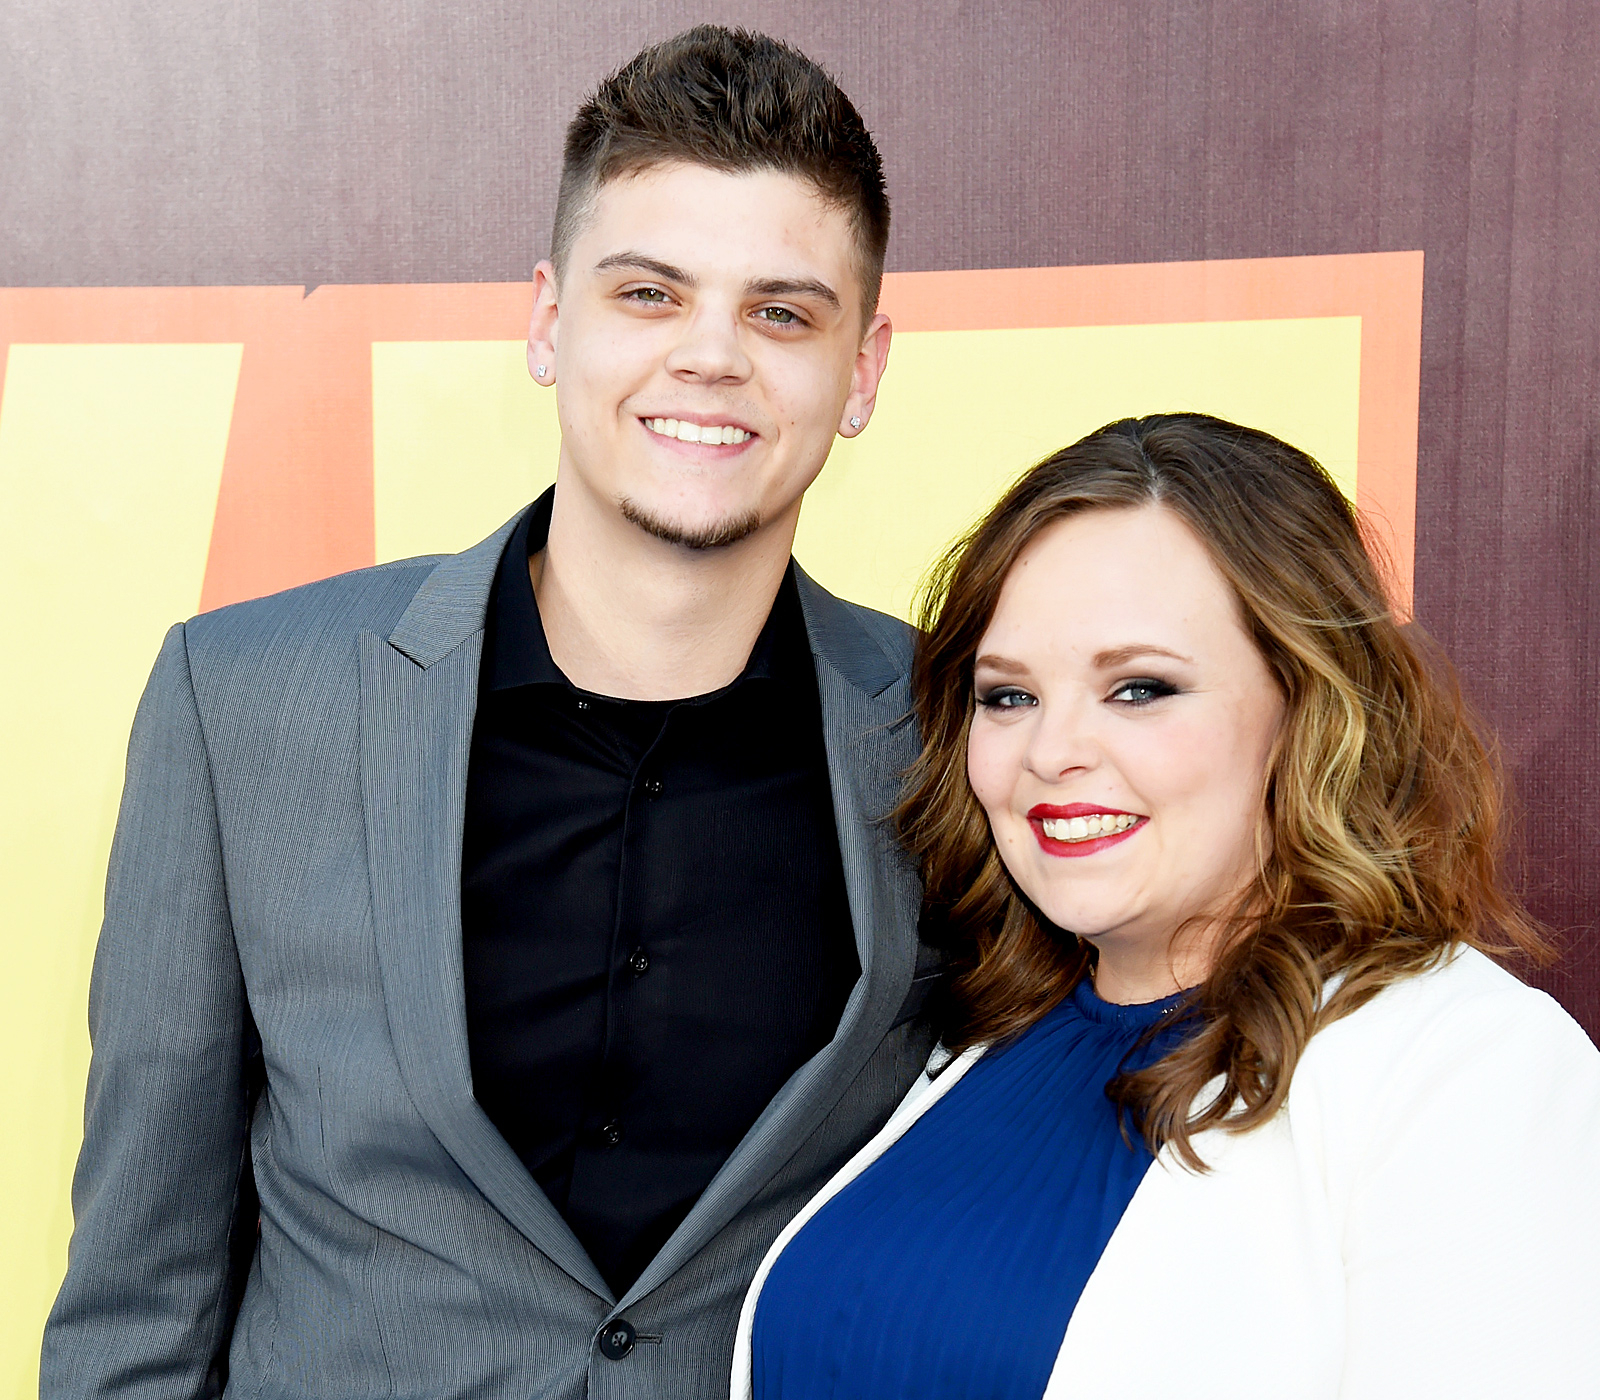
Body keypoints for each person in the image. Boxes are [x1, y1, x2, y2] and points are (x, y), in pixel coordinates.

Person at [42, 27, 942, 1399]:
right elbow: (136, 1298)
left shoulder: (960, 737)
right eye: (649, 293)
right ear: (547, 320)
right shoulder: (242, 704)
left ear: (864, 368)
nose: (711, 357)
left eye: (781, 311)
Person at [733, 413, 1600, 1399]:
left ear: (1305, 707)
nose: (1052, 751)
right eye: (1008, 695)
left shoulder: (1466, 1072)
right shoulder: (958, 1044)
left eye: (1139, 688)